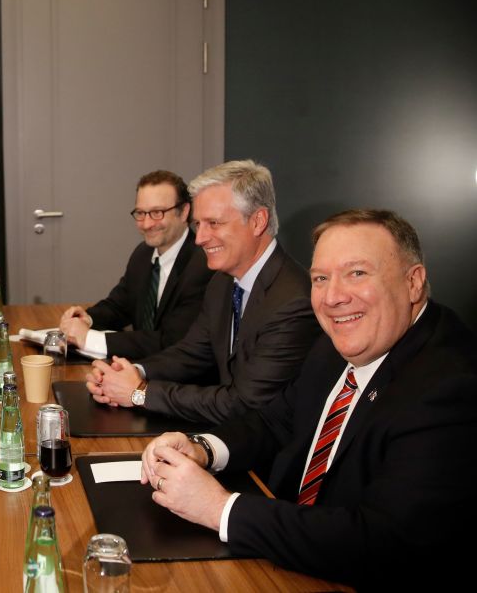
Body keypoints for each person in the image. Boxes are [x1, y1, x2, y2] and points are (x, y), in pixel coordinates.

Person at [138, 209, 477, 589]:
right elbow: (275, 420)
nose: (333, 298)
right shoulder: (339, 343)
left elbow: (384, 544)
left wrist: (219, 509)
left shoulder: (451, 387)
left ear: (413, 283)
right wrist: (202, 448)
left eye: (357, 273)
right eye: (320, 278)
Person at [86, 160, 320, 424]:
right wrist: (133, 372)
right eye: (199, 224)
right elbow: (192, 353)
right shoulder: (223, 280)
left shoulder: (293, 301)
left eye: (214, 223)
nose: (199, 238)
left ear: (257, 221)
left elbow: (242, 404)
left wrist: (140, 393)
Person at [58, 170, 213, 360]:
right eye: (140, 213)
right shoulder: (143, 253)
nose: (146, 224)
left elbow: (171, 341)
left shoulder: (204, 265)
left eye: (157, 213)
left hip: (179, 381)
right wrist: (87, 319)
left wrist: (89, 339)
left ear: (184, 212)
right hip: (136, 368)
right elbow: (120, 306)